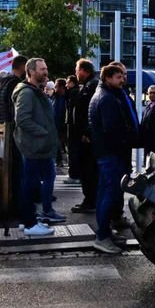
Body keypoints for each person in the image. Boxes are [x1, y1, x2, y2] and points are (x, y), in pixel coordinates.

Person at [88, 64, 140, 254]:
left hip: (107, 152)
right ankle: (102, 236)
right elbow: (112, 129)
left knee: (105, 192)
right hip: (111, 153)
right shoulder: (107, 98)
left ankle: (105, 232)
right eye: (118, 77)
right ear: (108, 78)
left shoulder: (105, 94)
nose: (122, 80)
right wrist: (126, 141)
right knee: (109, 193)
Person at [12, 58, 62, 235]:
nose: (45, 72)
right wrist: (43, 132)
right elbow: (22, 119)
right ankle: (30, 224)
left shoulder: (35, 91)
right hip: (33, 146)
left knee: (34, 182)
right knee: (29, 185)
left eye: (46, 68)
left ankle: (28, 220)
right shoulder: (27, 93)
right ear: (31, 72)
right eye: (42, 69)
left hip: (40, 147)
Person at [0, 55, 27, 214]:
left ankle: (15, 203)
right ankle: (20, 206)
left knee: (13, 171)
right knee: (19, 171)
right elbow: (16, 110)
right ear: (22, 67)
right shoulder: (16, 84)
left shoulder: (3, 83)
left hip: (6, 129)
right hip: (15, 131)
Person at [70, 59, 98, 213]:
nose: (75, 73)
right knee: (86, 170)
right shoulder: (88, 85)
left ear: (83, 70)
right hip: (83, 136)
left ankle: (90, 201)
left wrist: (87, 132)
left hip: (87, 138)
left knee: (88, 171)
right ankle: (89, 200)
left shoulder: (92, 85)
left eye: (77, 69)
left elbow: (91, 111)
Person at [140, 84, 155, 154]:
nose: (152, 95)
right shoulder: (147, 106)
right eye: (150, 93)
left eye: (154, 93)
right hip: (147, 142)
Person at [53, 78, 68, 170]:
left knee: (65, 145)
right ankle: (59, 161)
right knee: (57, 144)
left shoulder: (67, 98)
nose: (55, 88)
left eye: (56, 86)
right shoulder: (56, 97)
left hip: (64, 125)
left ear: (61, 87)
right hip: (56, 125)